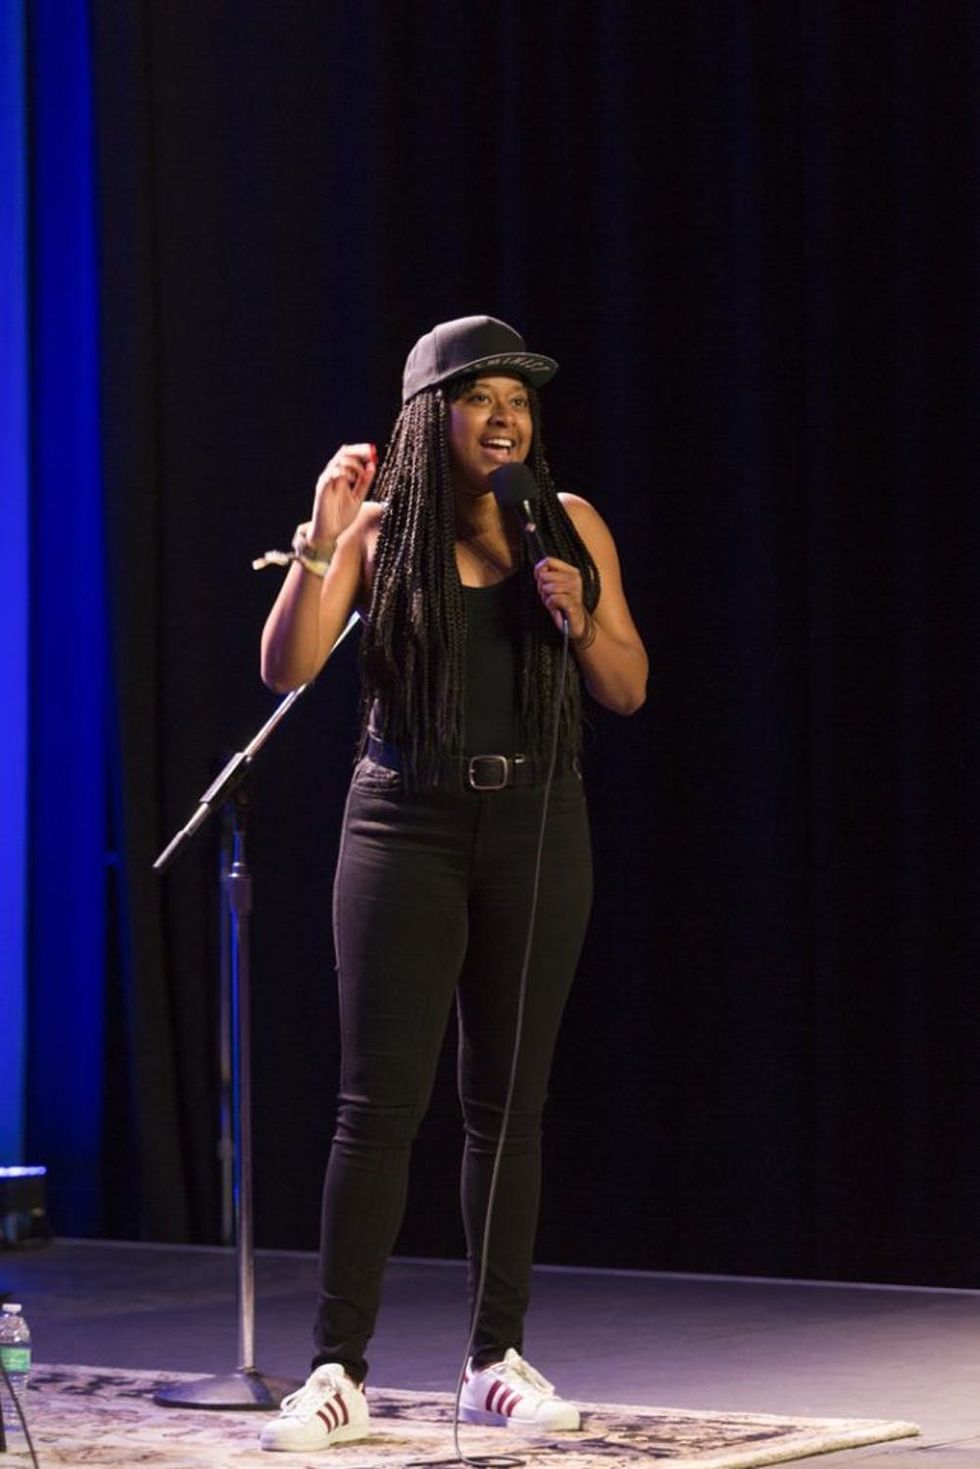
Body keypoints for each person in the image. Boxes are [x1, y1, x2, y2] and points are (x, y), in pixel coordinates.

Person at [257, 316, 648, 1452]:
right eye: (481, 397)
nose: (504, 417)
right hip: (404, 818)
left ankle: (493, 1360)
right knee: (377, 1108)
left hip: (537, 820)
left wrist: (580, 618)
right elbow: (285, 667)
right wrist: (321, 541)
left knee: (508, 1106)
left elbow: (627, 685)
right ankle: (336, 1368)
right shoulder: (380, 532)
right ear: (433, 417)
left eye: (518, 400)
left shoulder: (567, 524)